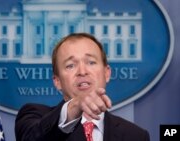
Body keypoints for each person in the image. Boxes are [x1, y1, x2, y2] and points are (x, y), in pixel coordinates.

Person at [15, 33, 150, 141]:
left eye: (91, 62)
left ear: (107, 73)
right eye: (70, 65)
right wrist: (76, 104)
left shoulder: (136, 136)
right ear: (57, 81)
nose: (82, 71)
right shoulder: (33, 116)